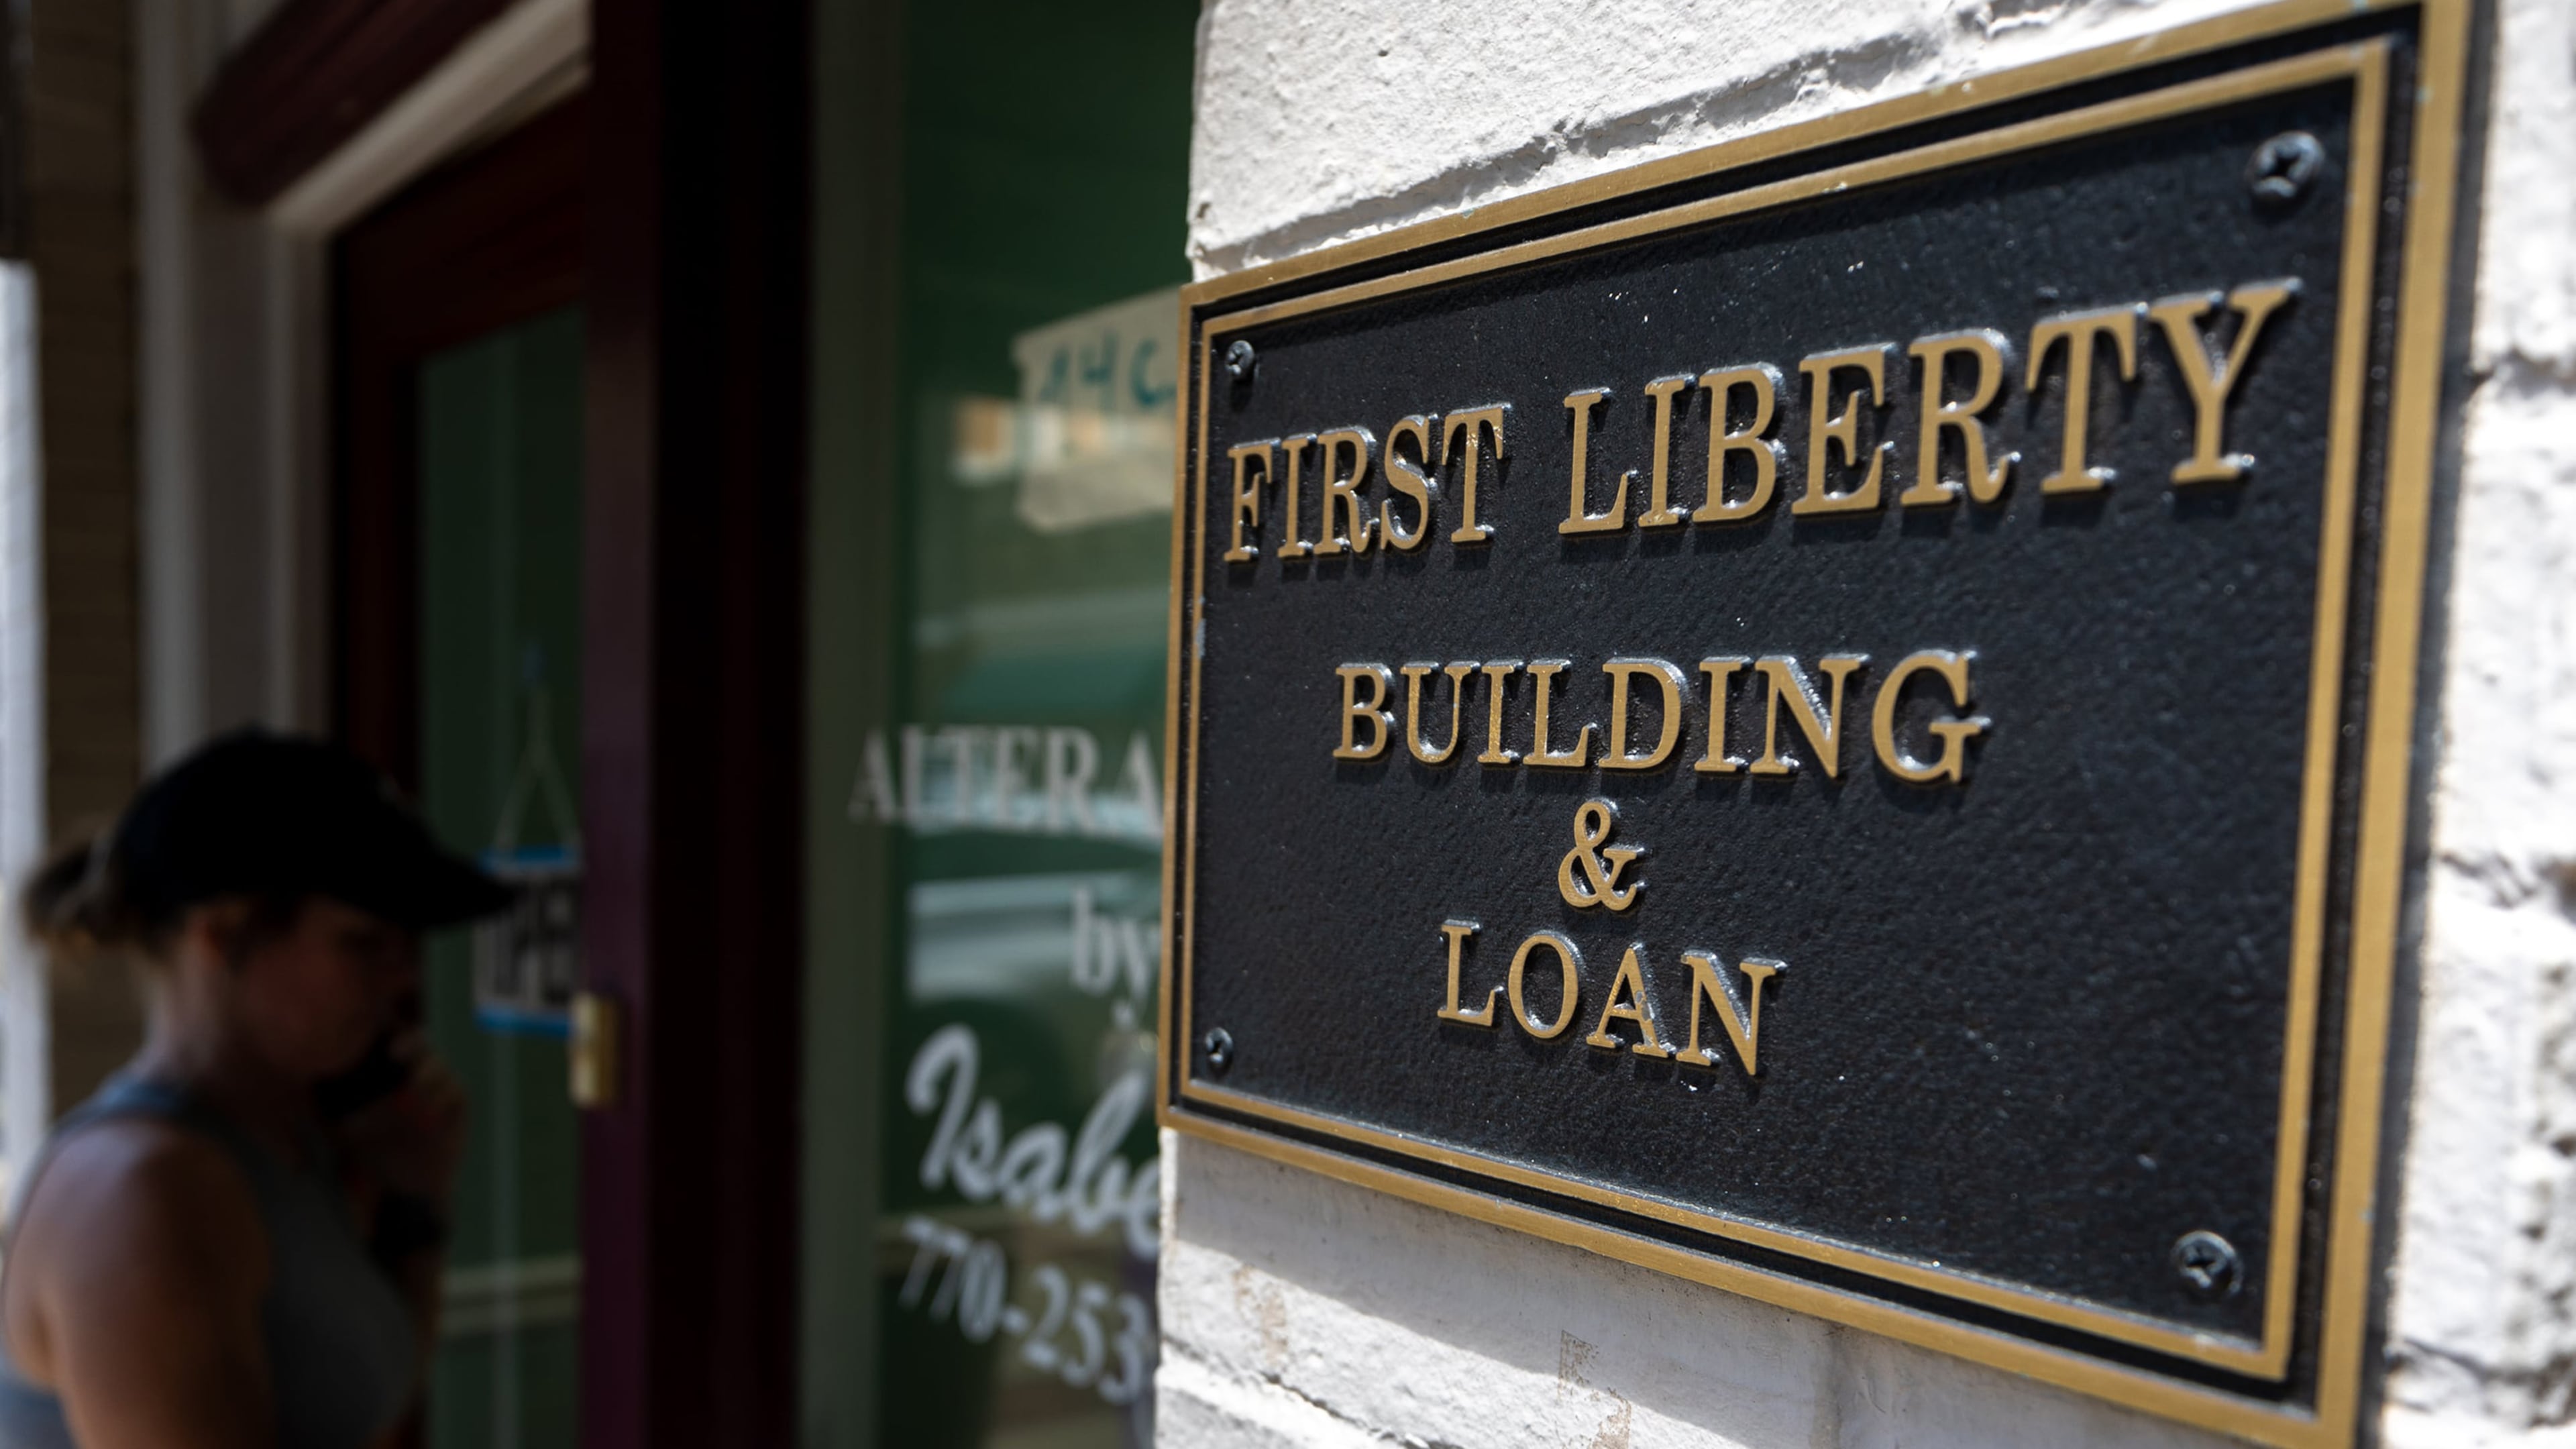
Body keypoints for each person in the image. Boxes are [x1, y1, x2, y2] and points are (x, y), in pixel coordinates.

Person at [0, 730, 511, 1449]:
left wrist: (412, 1204)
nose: (405, 977)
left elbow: (362, 1402)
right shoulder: (146, 1197)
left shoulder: (287, 1141)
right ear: (221, 936)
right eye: (363, 942)